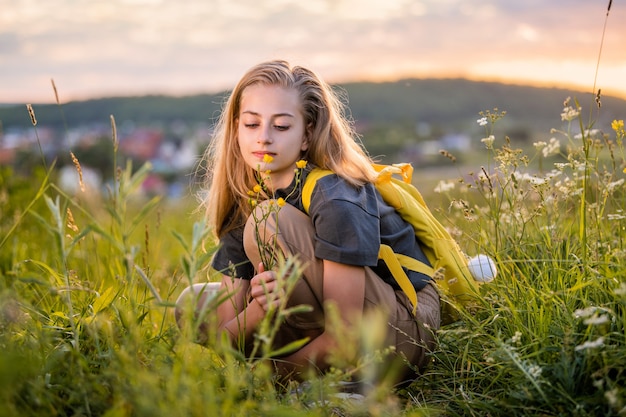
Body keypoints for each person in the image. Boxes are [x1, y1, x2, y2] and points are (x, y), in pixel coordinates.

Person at [179, 60, 440, 387]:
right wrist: (259, 310)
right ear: (236, 129)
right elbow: (227, 331)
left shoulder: (335, 196)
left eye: (282, 126)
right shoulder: (248, 196)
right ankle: (320, 374)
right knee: (192, 305)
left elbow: (345, 333)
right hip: (330, 320)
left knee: (269, 220)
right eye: (251, 124)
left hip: (399, 331)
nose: (263, 138)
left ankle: (342, 383)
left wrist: (264, 377)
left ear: (308, 134)